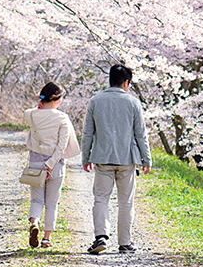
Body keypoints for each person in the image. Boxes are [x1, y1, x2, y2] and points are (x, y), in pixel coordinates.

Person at [81, 64, 152, 255]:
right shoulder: (133, 102)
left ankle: (101, 237)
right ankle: (125, 243)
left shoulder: (96, 100)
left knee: (101, 198)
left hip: (102, 159)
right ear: (126, 82)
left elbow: (88, 132)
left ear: (110, 79)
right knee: (126, 202)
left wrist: (85, 157)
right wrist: (146, 159)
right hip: (127, 159)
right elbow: (140, 134)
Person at [24, 81, 80, 248]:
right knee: (52, 202)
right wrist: (50, 164)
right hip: (55, 165)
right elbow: (62, 145)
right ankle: (47, 239)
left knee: (36, 199)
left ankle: (34, 223)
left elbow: (30, 110)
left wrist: (39, 102)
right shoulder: (62, 118)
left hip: (35, 162)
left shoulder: (32, 114)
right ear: (56, 98)